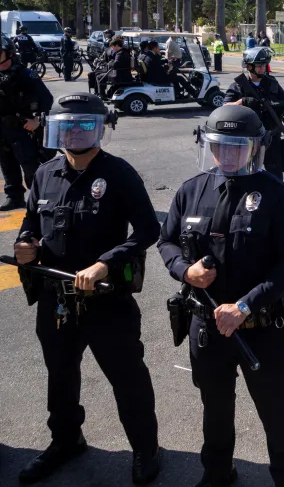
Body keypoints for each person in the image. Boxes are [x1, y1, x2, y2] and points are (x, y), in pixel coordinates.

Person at [13, 93, 161, 485]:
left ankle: (146, 448)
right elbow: (31, 221)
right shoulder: (46, 172)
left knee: (127, 377)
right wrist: (25, 244)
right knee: (59, 376)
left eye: (84, 126)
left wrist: (105, 263)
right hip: (56, 298)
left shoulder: (119, 173)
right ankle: (65, 441)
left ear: (100, 129)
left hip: (105, 299)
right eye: (68, 126)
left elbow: (149, 229)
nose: (75, 134)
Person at [158, 104, 284, 487]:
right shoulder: (192, 189)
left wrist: (244, 305)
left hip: (259, 327)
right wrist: (184, 270)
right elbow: (167, 241)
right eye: (219, 146)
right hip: (206, 327)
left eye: (236, 147)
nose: (226, 155)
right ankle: (218, 473)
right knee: (216, 409)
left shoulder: (277, 195)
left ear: (255, 148)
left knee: (276, 412)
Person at [224, 47, 284, 180]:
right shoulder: (238, 86)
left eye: (264, 65)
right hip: (248, 139)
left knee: (275, 178)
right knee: (246, 177)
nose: (263, 68)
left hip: (271, 137)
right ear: (249, 66)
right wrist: (243, 102)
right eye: (259, 65)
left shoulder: (273, 84)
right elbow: (224, 108)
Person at [0, 37, 53, 211]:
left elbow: (46, 98)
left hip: (25, 127)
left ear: (9, 53)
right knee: (7, 164)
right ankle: (15, 197)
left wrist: (37, 119)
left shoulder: (25, 75)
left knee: (31, 165)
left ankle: (40, 198)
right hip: (3, 128)